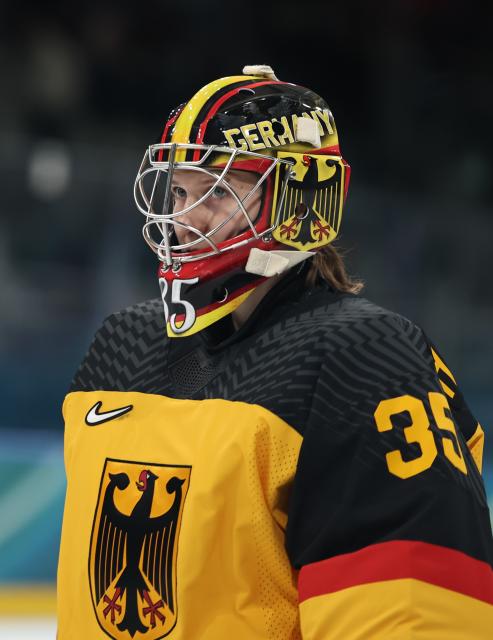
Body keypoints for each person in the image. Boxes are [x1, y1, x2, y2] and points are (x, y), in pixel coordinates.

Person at [57, 65, 493, 639]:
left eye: (218, 192)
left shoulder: (366, 359)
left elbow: (417, 616)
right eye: (181, 190)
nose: (185, 219)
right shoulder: (122, 345)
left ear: (299, 197)